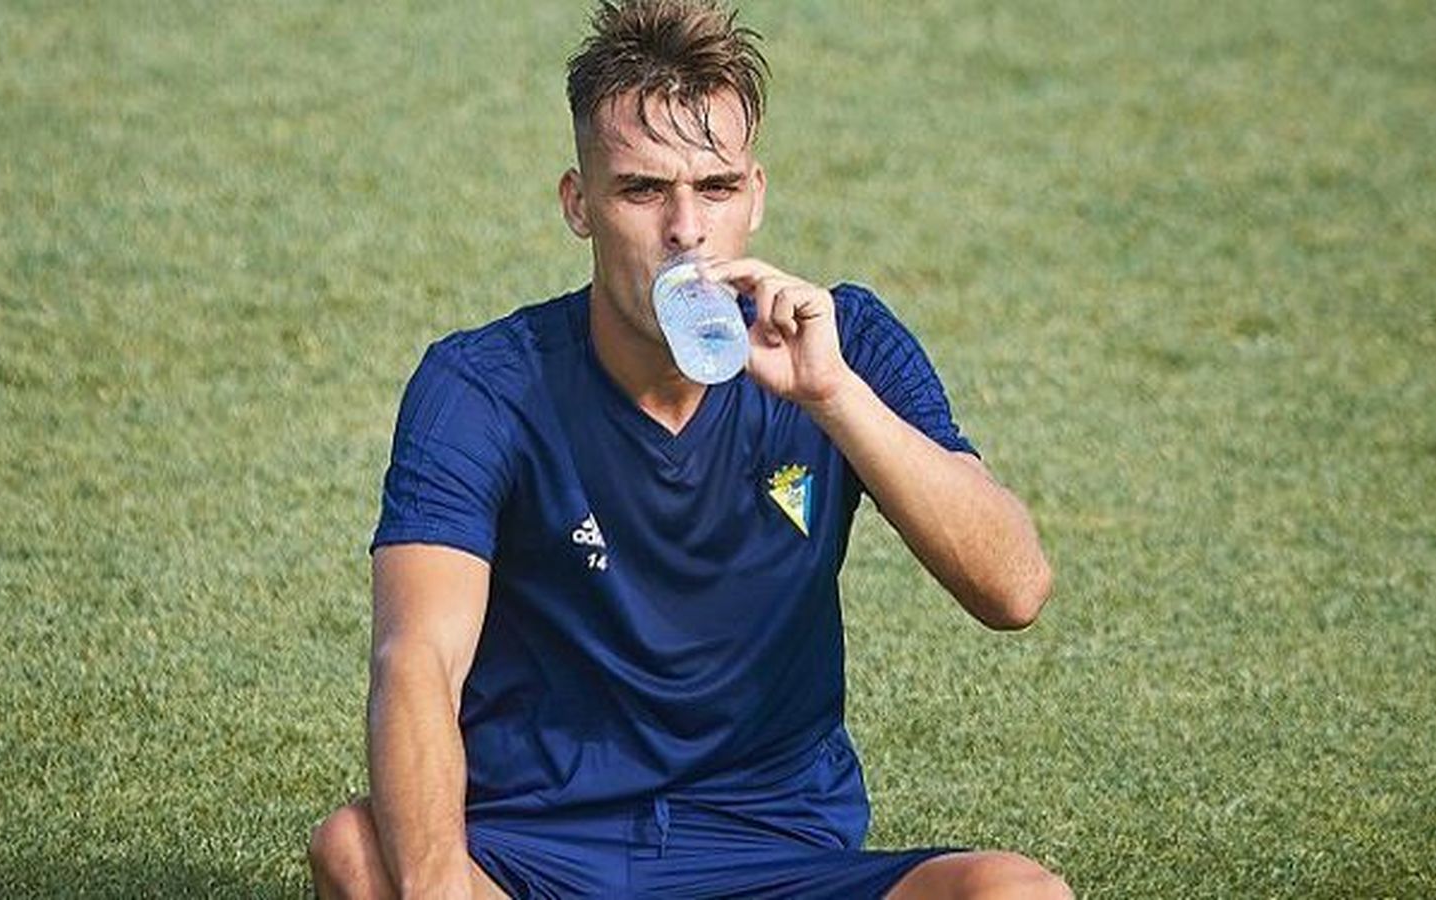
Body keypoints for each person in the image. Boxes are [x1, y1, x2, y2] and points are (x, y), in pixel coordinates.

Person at [309, 1, 1069, 897]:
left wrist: (833, 399)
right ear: (579, 204)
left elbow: (1014, 589)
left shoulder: (847, 346)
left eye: (714, 189)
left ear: (754, 194)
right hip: (539, 850)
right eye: (642, 190)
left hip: (776, 847)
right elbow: (415, 661)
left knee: (1018, 892)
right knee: (355, 851)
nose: (685, 229)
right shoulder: (481, 386)